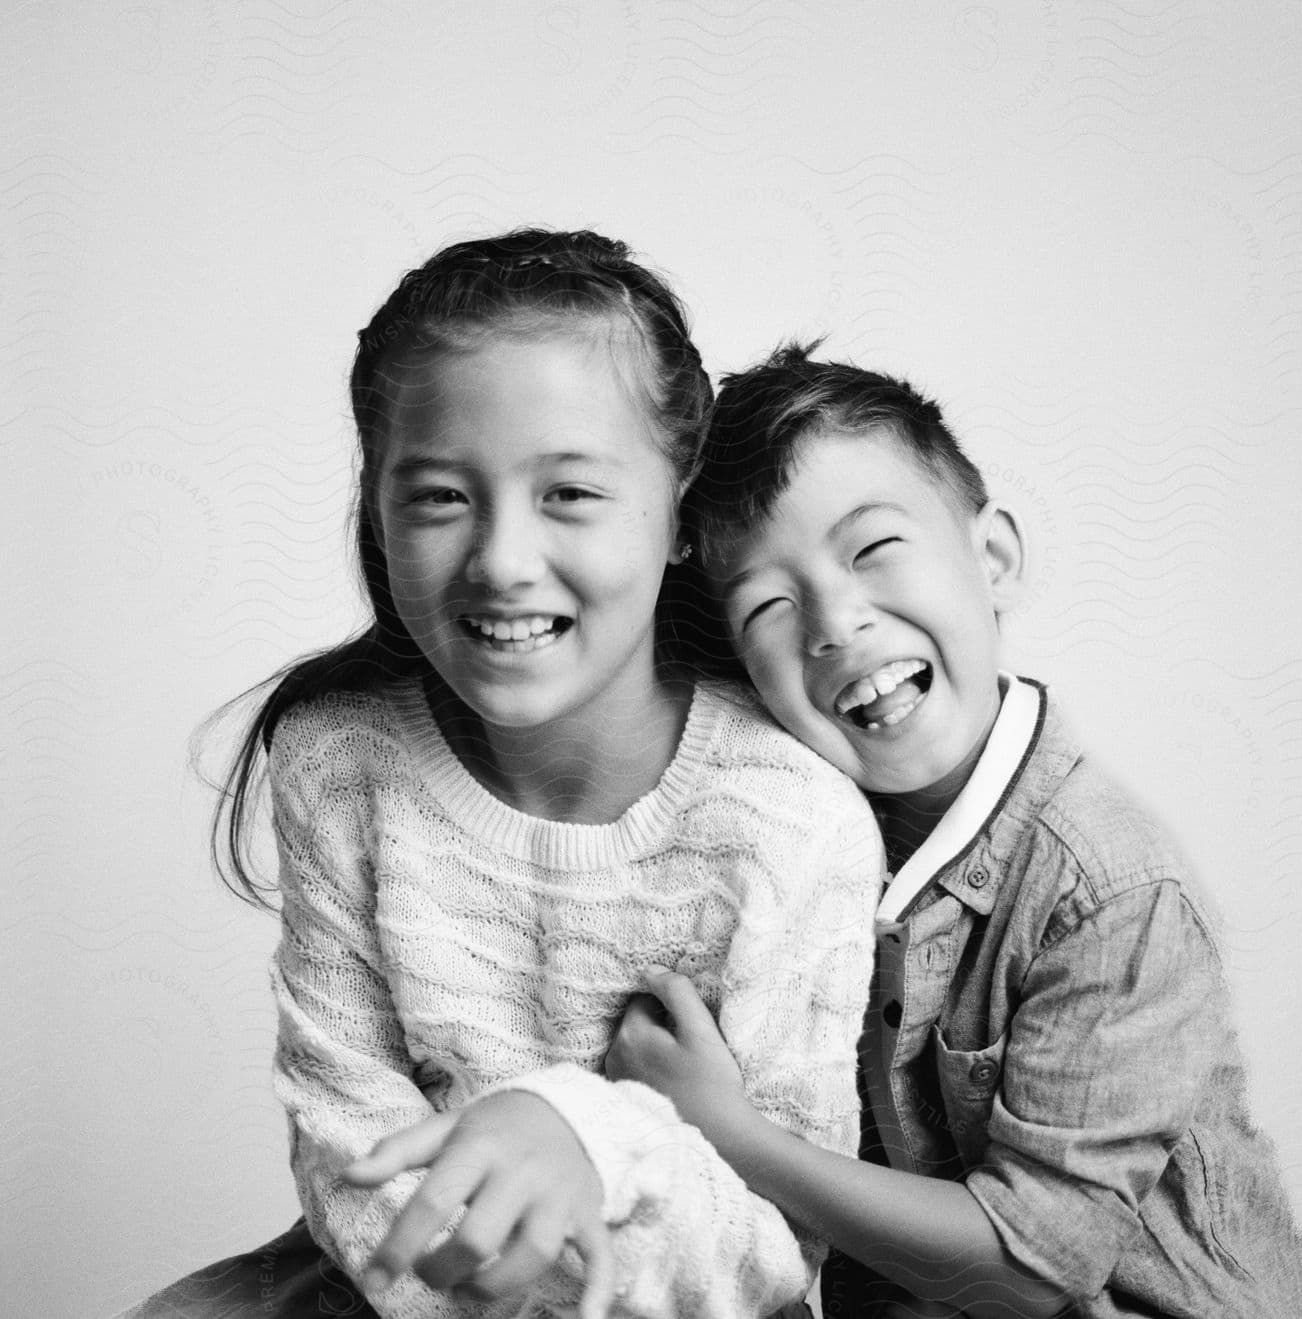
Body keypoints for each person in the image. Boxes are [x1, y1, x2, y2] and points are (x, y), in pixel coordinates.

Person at [118, 236, 883, 1319]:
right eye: (438, 497)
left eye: (570, 491)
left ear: (679, 512)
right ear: (375, 508)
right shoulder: (341, 764)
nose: (503, 560)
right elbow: (351, 1159)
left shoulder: (786, 817)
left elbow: (768, 1250)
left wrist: (585, 1135)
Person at [608, 344, 1302, 1318]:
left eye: (872, 549)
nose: (836, 621)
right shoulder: (794, 838)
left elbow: (1030, 1268)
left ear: (992, 560)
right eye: (769, 604)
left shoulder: (1111, 888)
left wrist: (732, 1130)